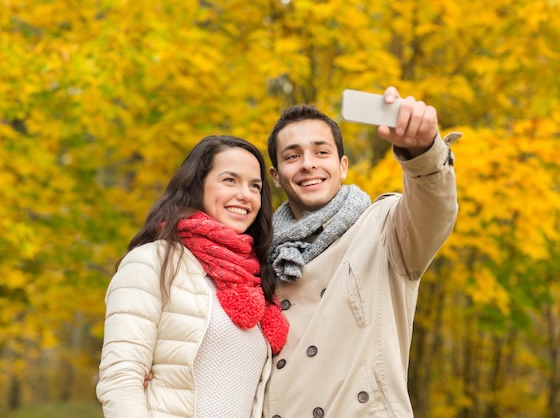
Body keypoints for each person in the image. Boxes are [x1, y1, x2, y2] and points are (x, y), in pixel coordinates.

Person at [262, 86, 460, 417]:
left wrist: (422, 152)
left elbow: (434, 210)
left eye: (321, 152)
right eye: (292, 156)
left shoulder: (384, 229)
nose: (308, 164)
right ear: (277, 177)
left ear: (342, 166)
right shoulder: (261, 257)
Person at [96, 135, 289, 418]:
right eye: (229, 180)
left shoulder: (258, 281)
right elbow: (120, 380)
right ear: (197, 186)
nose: (245, 194)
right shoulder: (153, 262)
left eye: (255, 186)